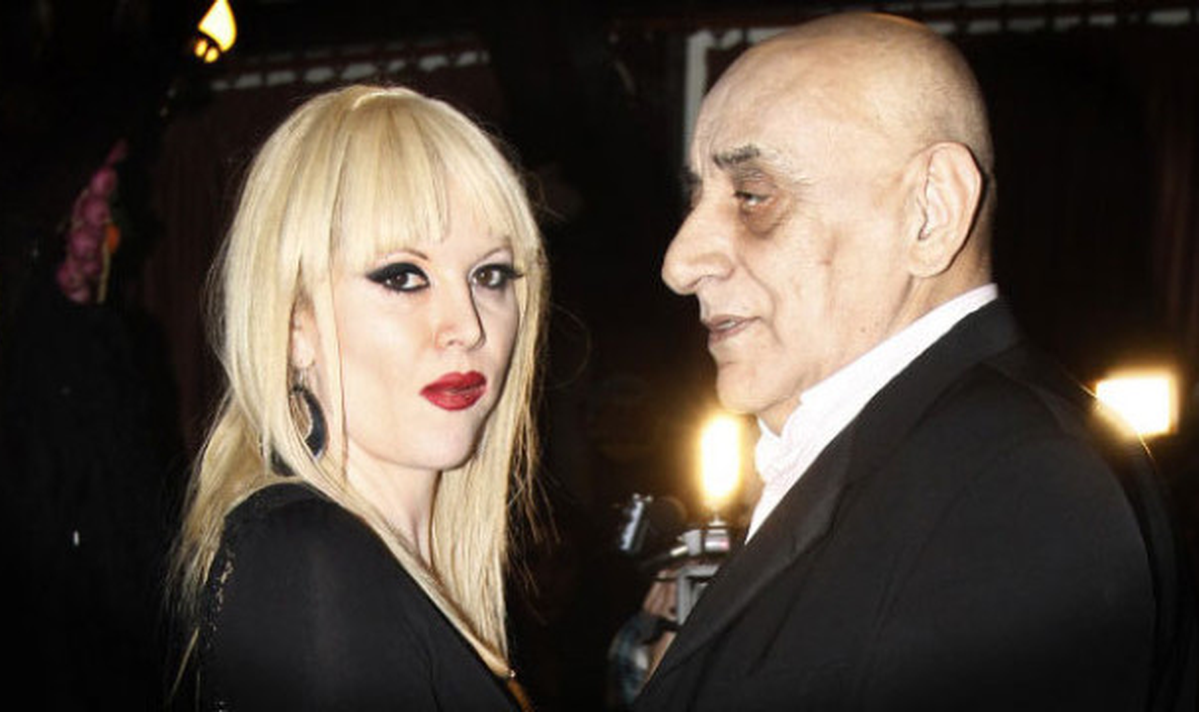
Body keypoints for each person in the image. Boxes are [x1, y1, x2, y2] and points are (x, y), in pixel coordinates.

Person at [636, 12, 1196, 711]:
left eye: (753, 196)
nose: (680, 262)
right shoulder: (925, 460)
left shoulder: (1020, 485)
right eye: (697, 196)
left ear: (931, 211)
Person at [171, 84, 545, 710]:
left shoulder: (371, 566)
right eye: (403, 276)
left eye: (490, 275)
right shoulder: (311, 560)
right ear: (296, 324)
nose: (468, 326)